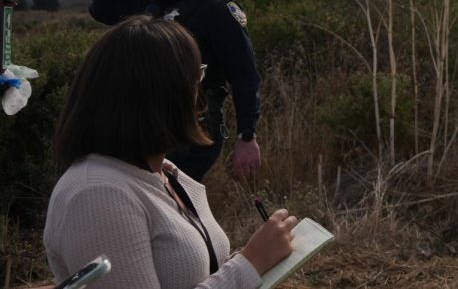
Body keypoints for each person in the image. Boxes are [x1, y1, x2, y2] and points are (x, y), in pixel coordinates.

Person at [43, 16, 297, 288]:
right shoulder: (97, 195)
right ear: (162, 95)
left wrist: (256, 260)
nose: (199, 90)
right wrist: (251, 263)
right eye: (196, 76)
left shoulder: (164, 174)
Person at [88, 0, 262, 181]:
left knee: (172, 200)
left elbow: (245, 75)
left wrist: (247, 135)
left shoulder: (215, 8)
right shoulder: (152, 6)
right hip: (151, 126)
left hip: (196, 128)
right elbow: (100, 9)